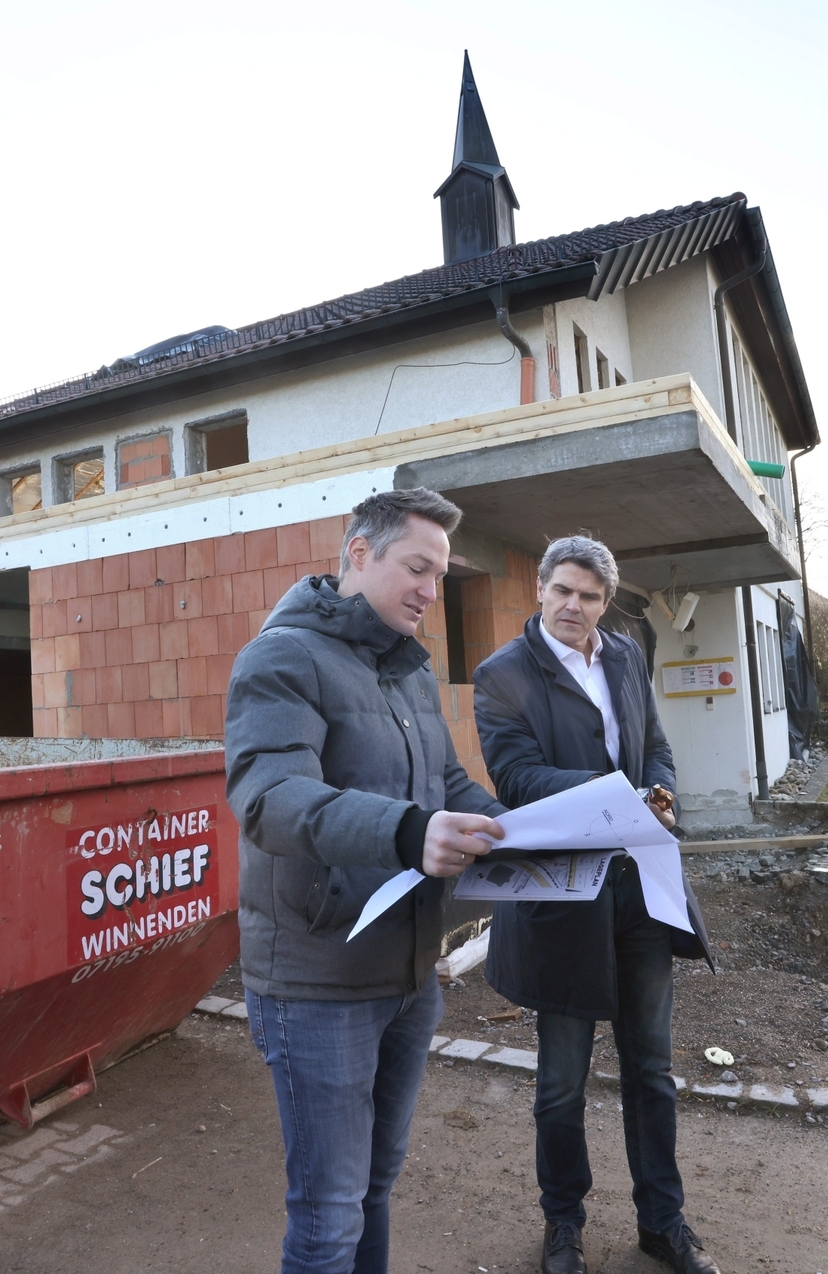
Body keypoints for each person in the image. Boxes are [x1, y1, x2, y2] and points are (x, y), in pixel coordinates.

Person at [226, 488, 508, 1274]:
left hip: (410, 974)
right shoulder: (282, 658)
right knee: (327, 1218)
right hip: (317, 984)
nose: (431, 589)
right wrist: (407, 834)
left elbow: (450, 785)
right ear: (358, 554)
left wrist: (525, 834)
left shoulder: (409, 671)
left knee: (375, 1187)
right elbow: (271, 801)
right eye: (418, 567)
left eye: (440, 575)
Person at [472, 535, 720, 1274]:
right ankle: (563, 1225)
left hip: (639, 886)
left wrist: (663, 795)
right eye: (565, 591)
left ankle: (663, 1222)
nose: (575, 606)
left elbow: (656, 747)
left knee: (651, 1070)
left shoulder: (625, 656)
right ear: (541, 588)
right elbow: (516, 778)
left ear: (607, 603)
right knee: (560, 1084)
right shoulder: (502, 675)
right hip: (564, 898)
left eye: (591, 596)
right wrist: (616, 797)